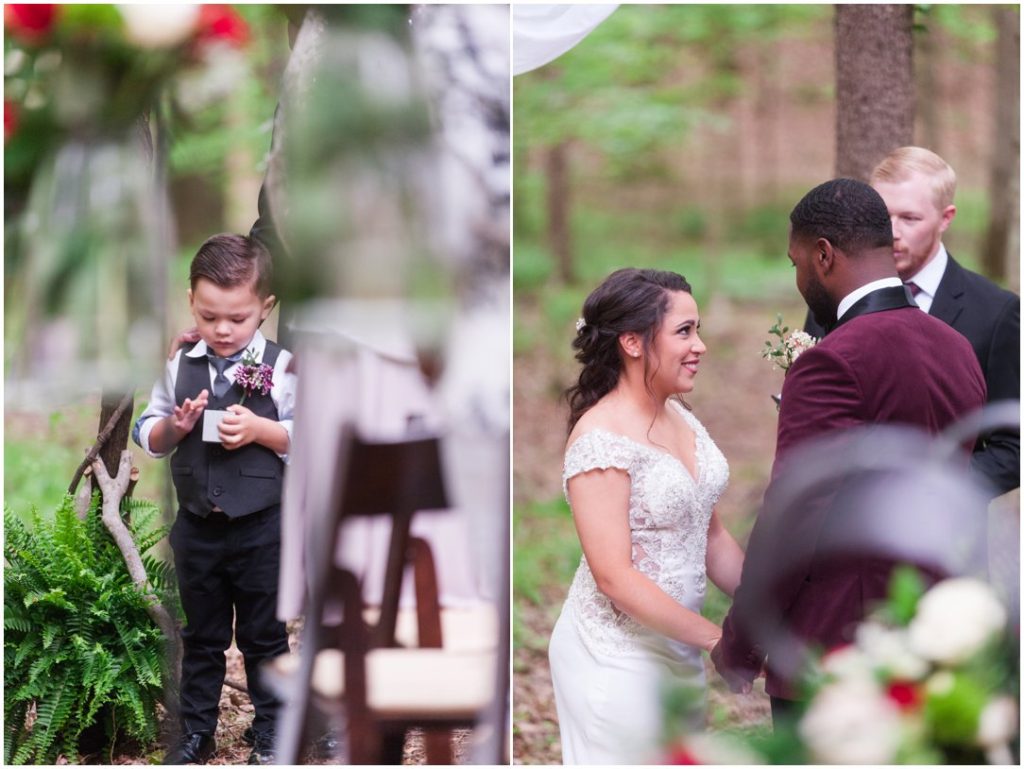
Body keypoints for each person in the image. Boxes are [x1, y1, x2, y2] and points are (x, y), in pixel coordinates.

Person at [712, 179, 987, 723]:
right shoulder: (956, 348)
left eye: (796, 263)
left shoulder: (833, 360)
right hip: (928, 637)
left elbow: (796, 513)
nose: (797, 279)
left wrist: (742, 643)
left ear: (823, 255)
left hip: (836, 650)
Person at [548, 268, 745, 764]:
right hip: (615, 656)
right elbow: (614, 576)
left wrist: (767, 607)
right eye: (684, 331)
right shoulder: (601, 439)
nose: (699, 345)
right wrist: (719, 640)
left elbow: (712, 534)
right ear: (632, 343)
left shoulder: (680, 415)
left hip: (678, 645)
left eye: (697, 329)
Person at [133, 234, 296, 765]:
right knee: (199, 636)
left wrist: (260, 430)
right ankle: (195, 732)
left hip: (262, 529)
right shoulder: (180, 364)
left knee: (264, 636)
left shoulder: (281, 366)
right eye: (209, 317)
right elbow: (147, 431)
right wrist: (173, 429)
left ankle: (272, 732)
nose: (223, 330)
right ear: (191, 304)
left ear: (265, 309)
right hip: (198, 527)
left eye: (238, 318)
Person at [803, 147, 1019, 495]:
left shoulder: (997, 312)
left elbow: (1013, 447)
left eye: (910, 218)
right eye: (883, 216)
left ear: (946, 218)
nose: (892, 232)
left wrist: (935, 492)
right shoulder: (832, 299)